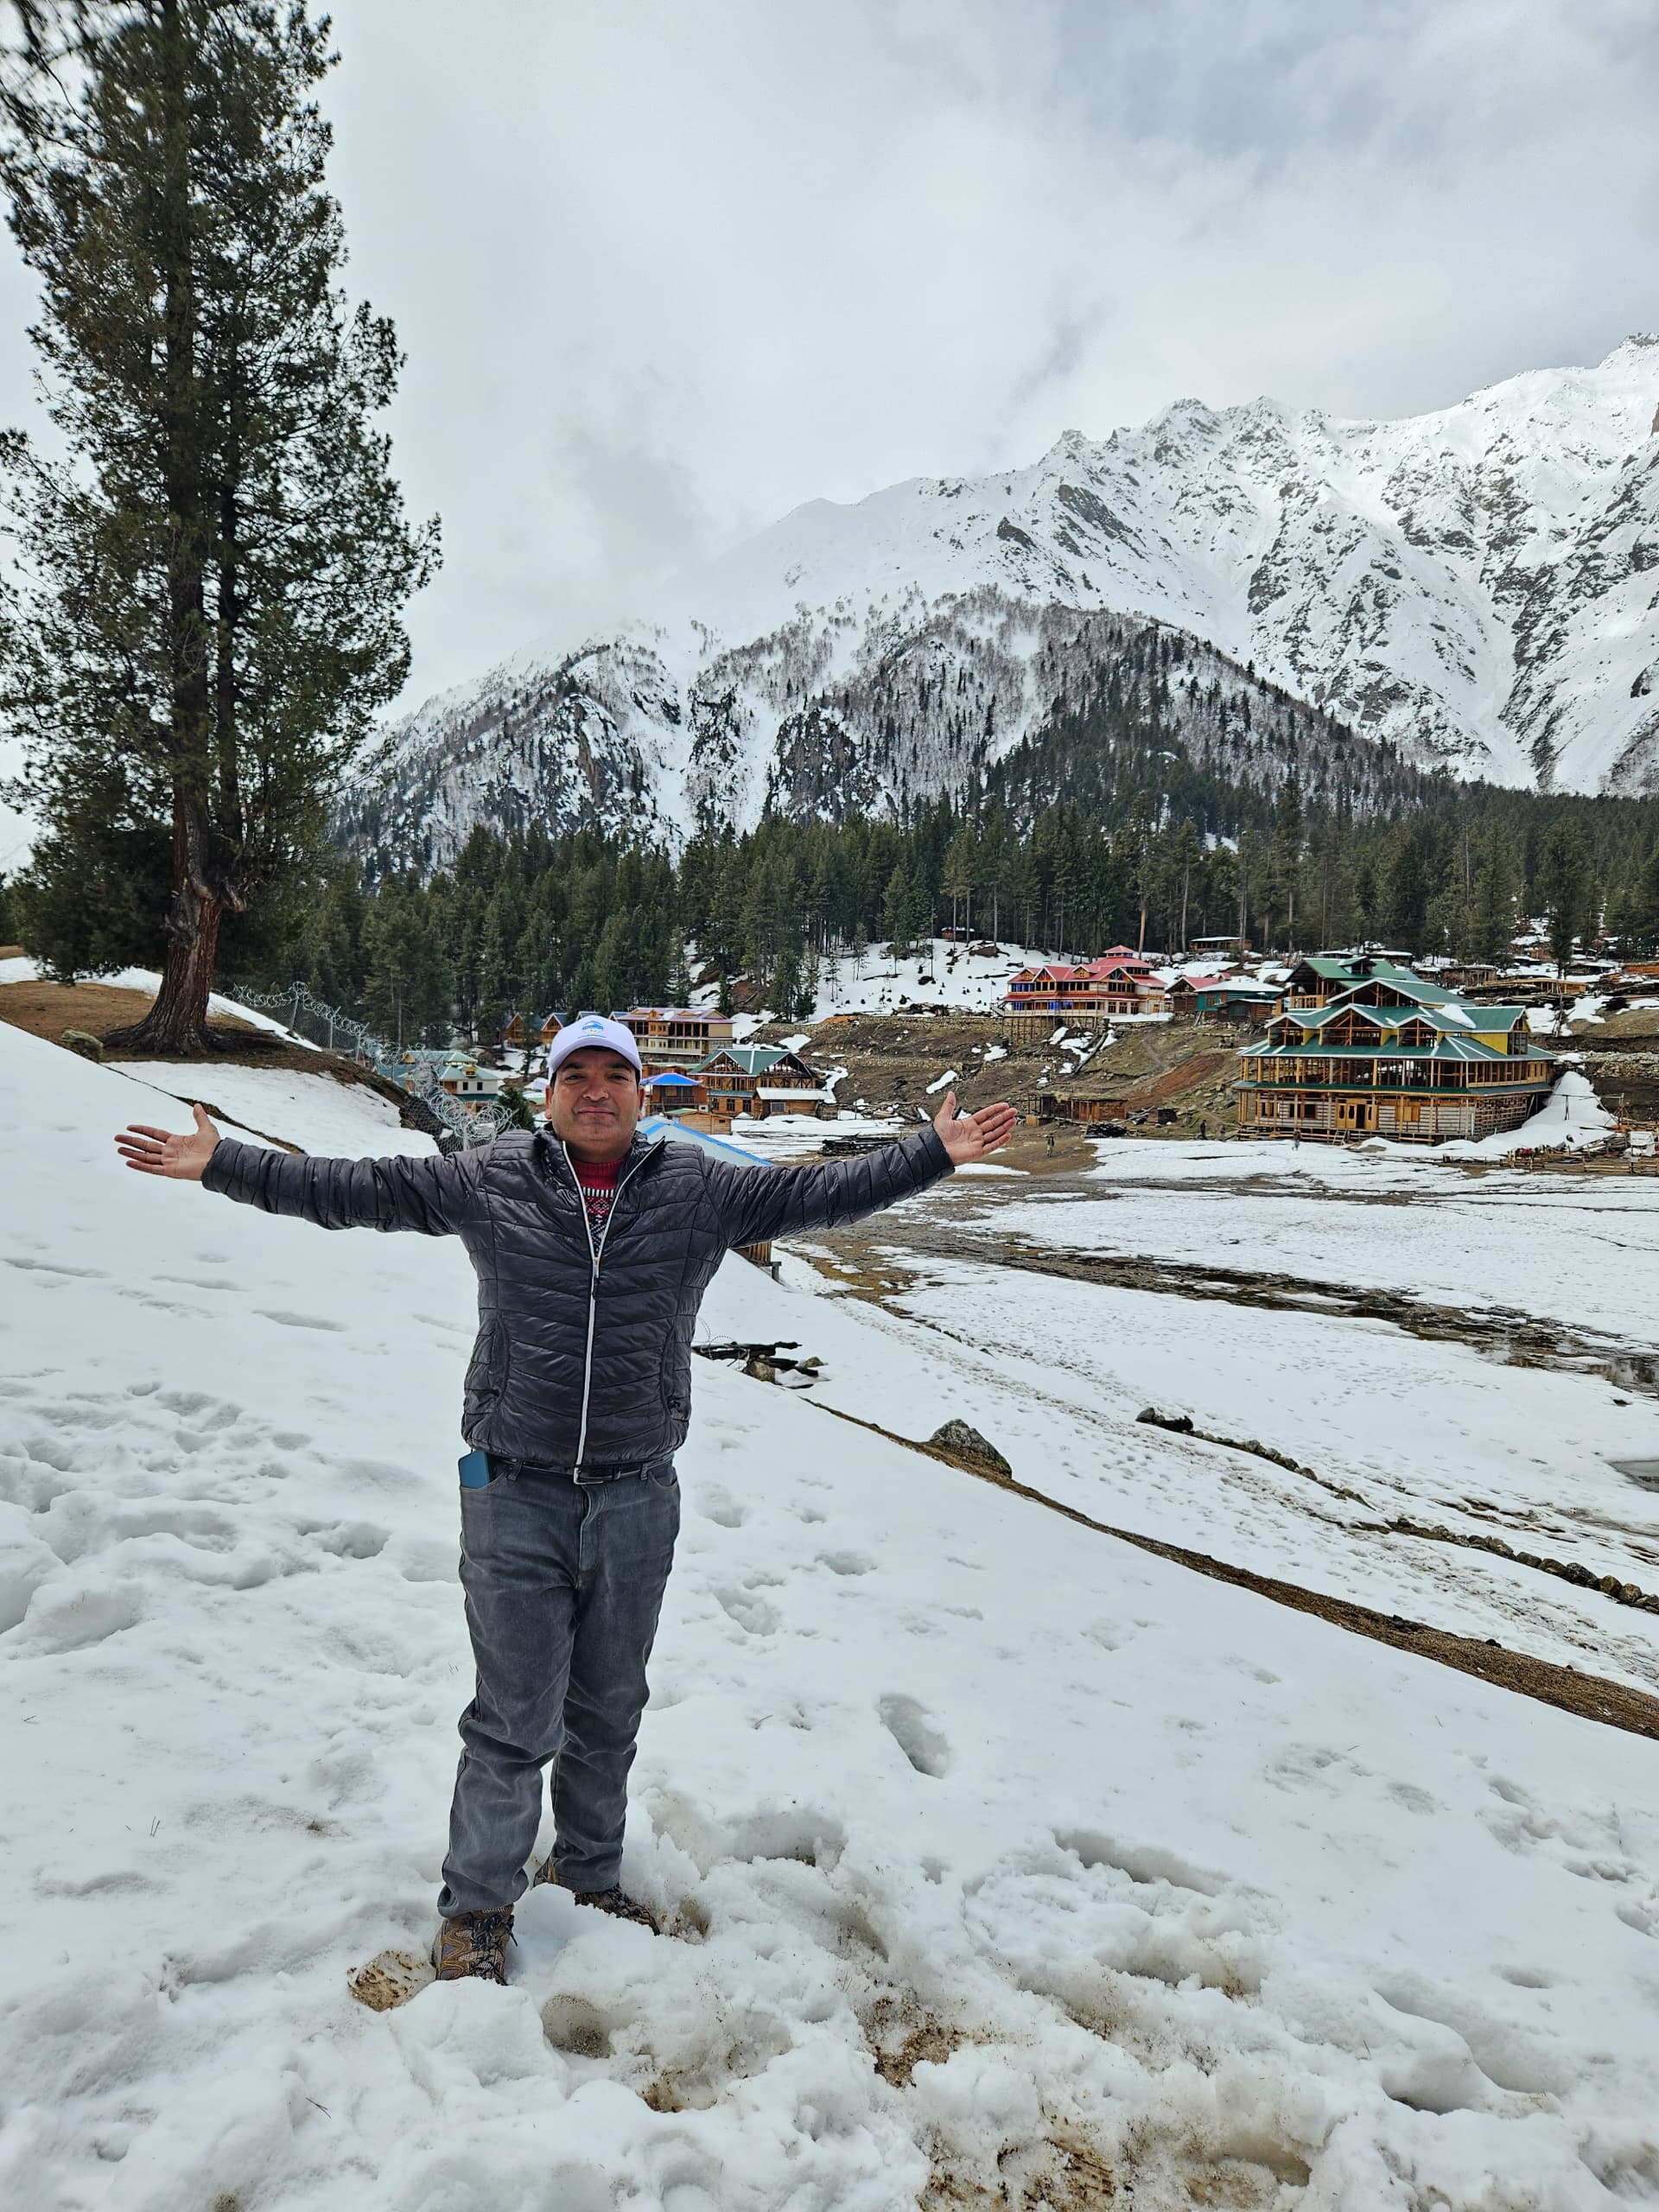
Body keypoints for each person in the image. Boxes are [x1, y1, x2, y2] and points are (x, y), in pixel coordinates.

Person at [115, 1013, 1016, 1986]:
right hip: (514, 1490)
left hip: (637, 1494)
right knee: (512, 1719)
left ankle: (588, 1876)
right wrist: (224, 1163)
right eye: (574, 1075)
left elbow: (819, 1193)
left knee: (610, 1708)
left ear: (640, 1094)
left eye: (613, 1075)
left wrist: (931, 1152)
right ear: (547, 1096)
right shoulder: (491, 1177)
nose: (595, 1090)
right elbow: (354, 1188)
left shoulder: (699, 1187)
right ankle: (477, 1907)